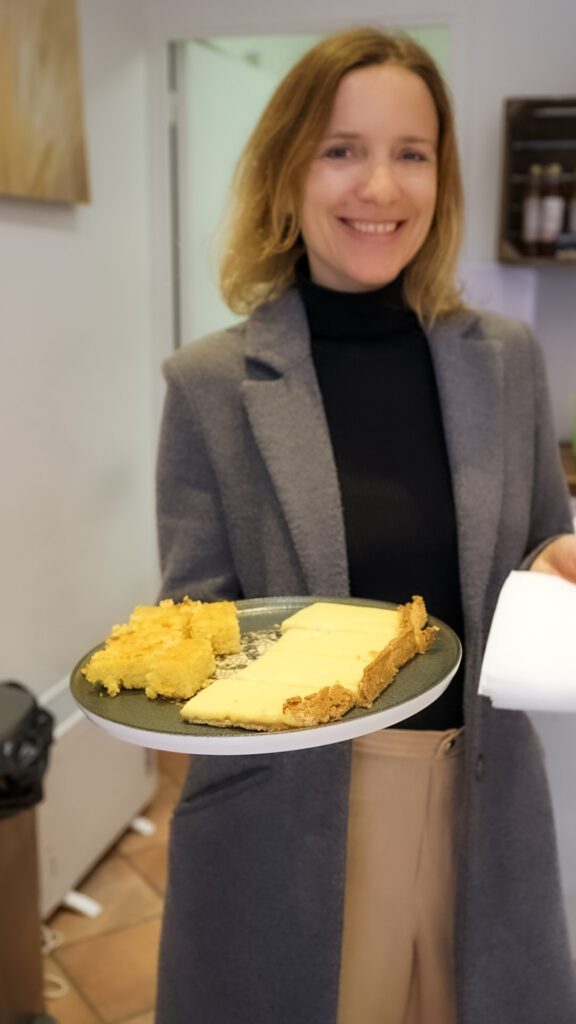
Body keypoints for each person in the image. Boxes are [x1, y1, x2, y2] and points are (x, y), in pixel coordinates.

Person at [154, 27, 576, 1024]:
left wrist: (557, 562)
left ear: (442, 176)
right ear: (287, 169)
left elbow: (534, 550)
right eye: (342, 149)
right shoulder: (212, 385)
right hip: (296, 819)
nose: (379, 187)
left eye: (411, 152)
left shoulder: (505, 359)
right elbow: (197, 629)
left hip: (482, 796)